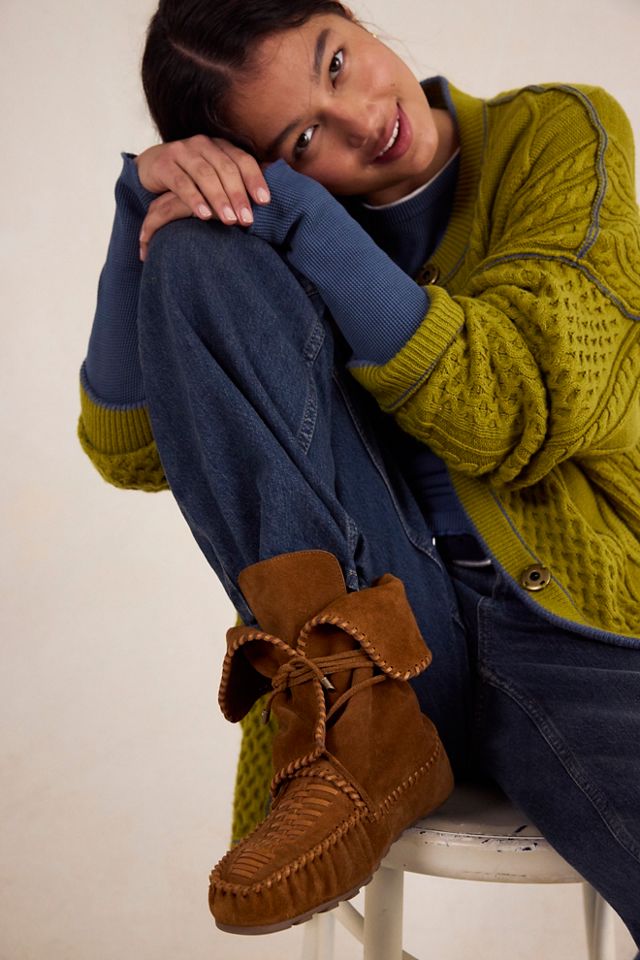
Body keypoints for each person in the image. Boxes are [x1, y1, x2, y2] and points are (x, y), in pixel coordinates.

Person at [78, 0, 640, 944]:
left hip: (574, 623)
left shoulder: (557, 132)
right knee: (193, 252)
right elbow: (131, 447)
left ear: (353, 19)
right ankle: (356, 722)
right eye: (301, 141)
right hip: (373, 641)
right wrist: (141, 204)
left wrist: (295, 209)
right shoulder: (266, 244)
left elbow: (513, 401)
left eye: (335, 63)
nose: (361, 122)